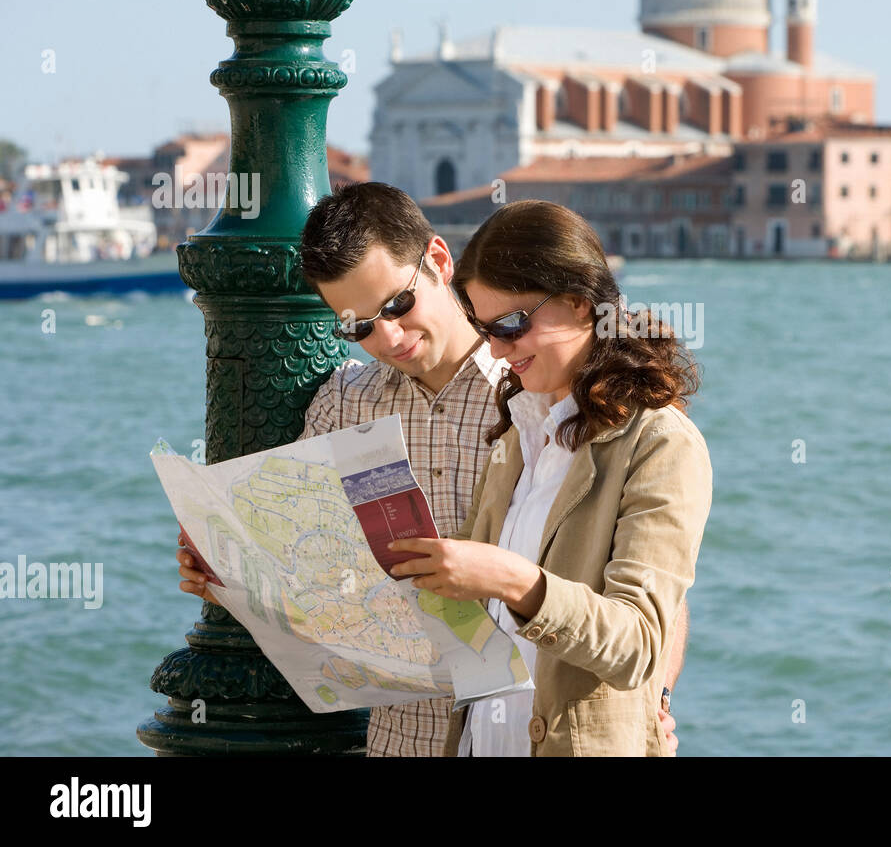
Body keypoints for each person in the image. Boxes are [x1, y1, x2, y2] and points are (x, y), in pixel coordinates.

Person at [176, 182, 690, 755]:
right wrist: (236, 571)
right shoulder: (361, 403)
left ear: (438, 261)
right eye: (358, 326)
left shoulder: (532, 396)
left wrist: (651, 706)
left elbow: (652, 606)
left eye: (397, 305)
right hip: (415, 738)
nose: (387, 336)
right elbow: (312, 564)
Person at [388, 199, 711, 756]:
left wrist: (513, 581)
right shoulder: (517, 434)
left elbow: (639, 646)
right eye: (484, 328)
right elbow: (478, 631)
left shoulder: (661, 443)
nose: (497, 349)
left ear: (580, 304)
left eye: (512, 324)